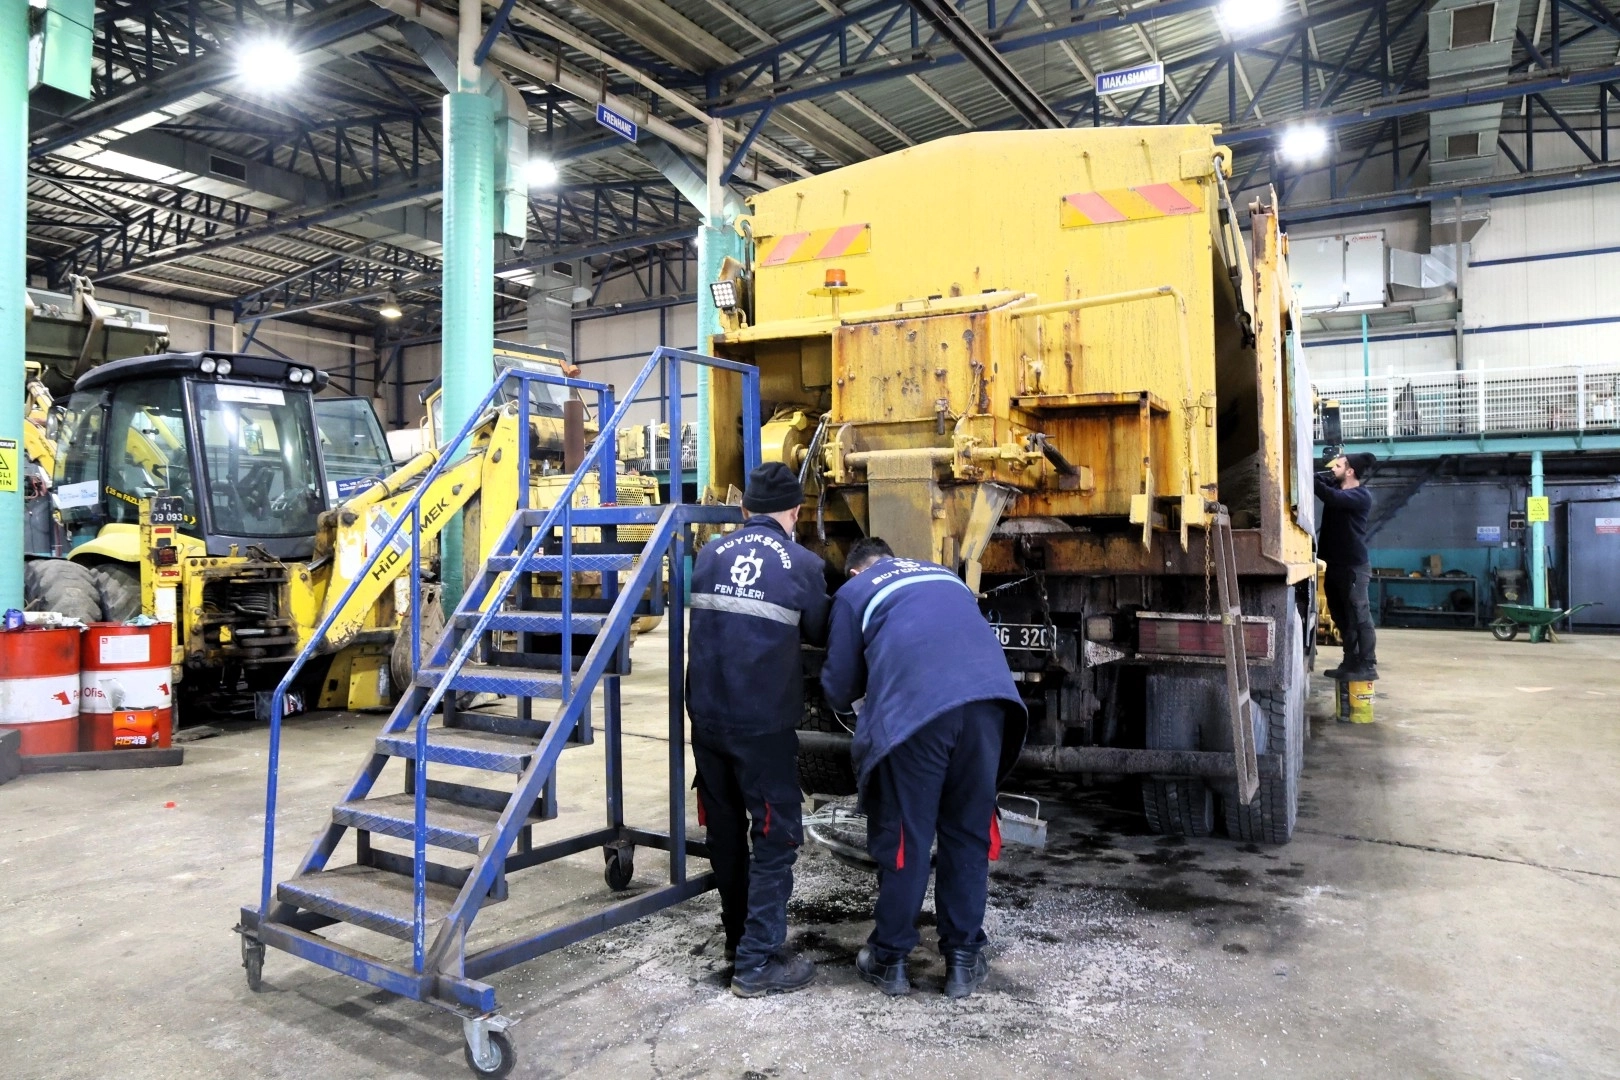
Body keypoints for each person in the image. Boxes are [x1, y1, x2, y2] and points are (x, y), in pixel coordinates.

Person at [820, 538, 1027, 1000]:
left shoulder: (855, 592)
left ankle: (890, 958)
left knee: (905, 837)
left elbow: (838, 688)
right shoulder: (943, 575)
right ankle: (963, 960)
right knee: (967, 831)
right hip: (990, 705)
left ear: (855, 571)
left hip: (918, 714)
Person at [686, 461, 830, 998]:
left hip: (706, 719)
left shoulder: (707, 555)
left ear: (744, 509)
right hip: (762, 727)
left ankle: (736, 939)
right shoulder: (804, 564)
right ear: (795, 512)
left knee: (724, 832)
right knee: (774, 836)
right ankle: (757, 962)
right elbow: (820, 631)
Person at [1316, 452, 1378, 680]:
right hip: (1335, 565)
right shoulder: (1337, 486)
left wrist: (1308, 478)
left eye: (1338, 466)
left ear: (1350, 471)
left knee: (1359, 617)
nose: (1333, 468)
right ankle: (1350, 662)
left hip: (1354, 567)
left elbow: (1330, 497)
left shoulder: (1360, 496)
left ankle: (1367, 665)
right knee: (1341, 616)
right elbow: (1322, 481)